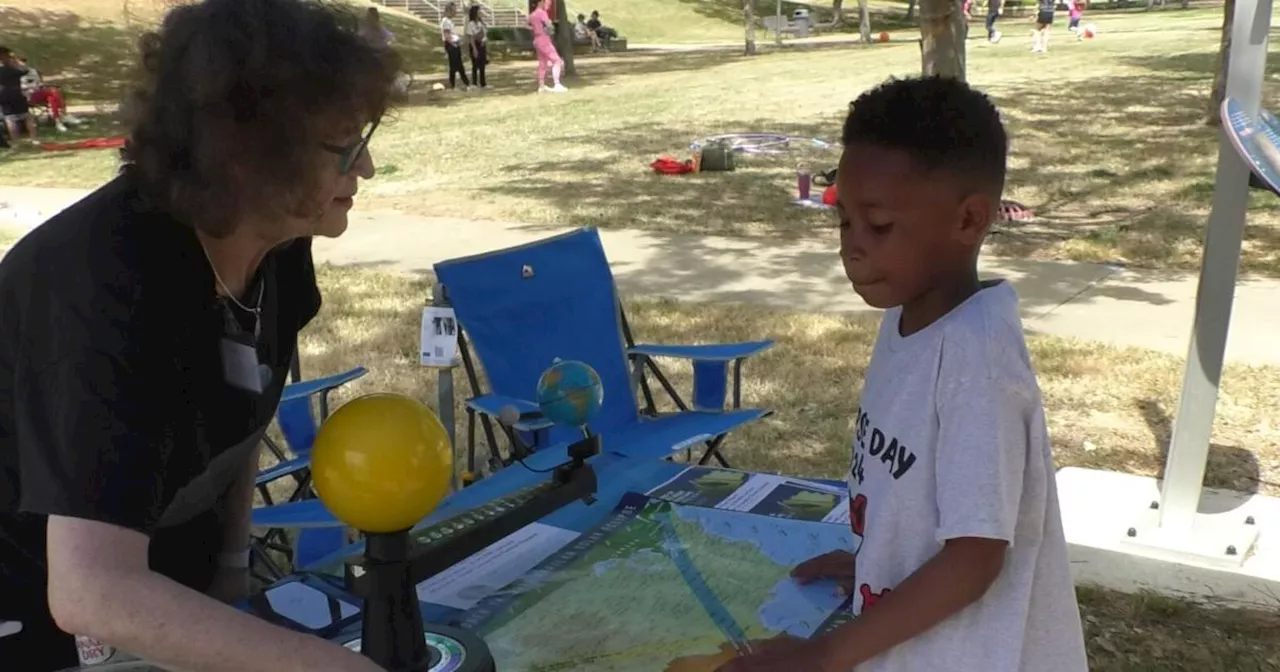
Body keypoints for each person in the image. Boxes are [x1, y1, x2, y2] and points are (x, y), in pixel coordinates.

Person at [0, 0, 400, 670]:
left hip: (160, 591)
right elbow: (89, 590)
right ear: (247, 156)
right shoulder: (101, 283)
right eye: (345, 148)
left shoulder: (275, 238)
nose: (365, 170)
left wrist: (232, 571)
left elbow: (240, 417)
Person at [715, 76, 1088, 672]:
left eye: (880, 226)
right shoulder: (906, 316)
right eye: (844, 224)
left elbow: (973, 559)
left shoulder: (977, 364)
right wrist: (878, 566)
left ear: (969, 221)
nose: (852, 249)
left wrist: (821, 658)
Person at [528, 0, 567, 93]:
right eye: (546, 3)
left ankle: (541, 85)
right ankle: (557, 84)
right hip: (544, 39)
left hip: (537, 40)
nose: (548, 5)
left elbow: (525, 24)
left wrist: (535, 29)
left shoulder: (532, 15)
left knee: (542, 63)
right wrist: (550, 26)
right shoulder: (542, 13)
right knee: (557, 60)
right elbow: (549, 26)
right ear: (540, 2)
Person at [0, 47, 37, 146]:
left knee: (10, 119)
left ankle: (16, 142)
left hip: (3, 95)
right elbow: (25, 70)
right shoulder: (12, 69)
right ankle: (34, 139)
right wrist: (17, 61)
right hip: (16, 93)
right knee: (27, 116)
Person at [441, 2, 472, 91]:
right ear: (449, 11)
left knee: (459, 65)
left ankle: (466, 83)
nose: (456, 12)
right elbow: (446, 35)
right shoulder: (445, 21)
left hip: (454, 44)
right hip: (451, 45)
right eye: (454, 10)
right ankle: (454, 85)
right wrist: (454, 44)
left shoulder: (450, 21)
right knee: (454, 66)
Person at [466, 4, 489, 89]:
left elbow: (484, 33)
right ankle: (474, 83)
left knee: (482, 65)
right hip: (475, 45)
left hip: (482, 44)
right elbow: (471, 37)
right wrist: (474, 49)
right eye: (479, 11)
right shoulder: (471, 24)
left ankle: (483, 83)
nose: (480, 13)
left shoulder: (481, 23)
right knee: (475, 65)